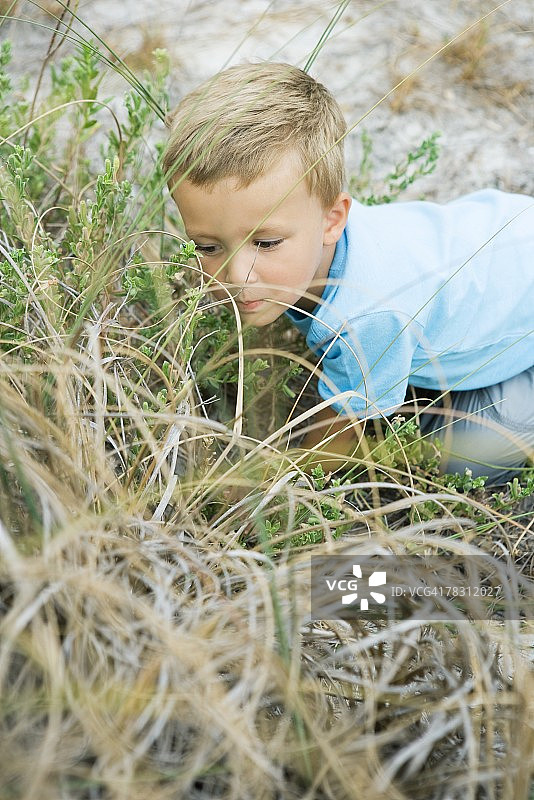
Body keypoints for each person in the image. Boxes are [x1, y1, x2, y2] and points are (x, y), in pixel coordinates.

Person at [162, 61, 534, 486]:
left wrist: (265, 483)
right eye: (207, 247)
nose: (237, 275)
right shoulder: (313, 246)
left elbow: (340, 437)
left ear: (332, 218)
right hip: (507, 239)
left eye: (265, 244)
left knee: (458, 465)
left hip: (524, 318)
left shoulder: (366, 316)